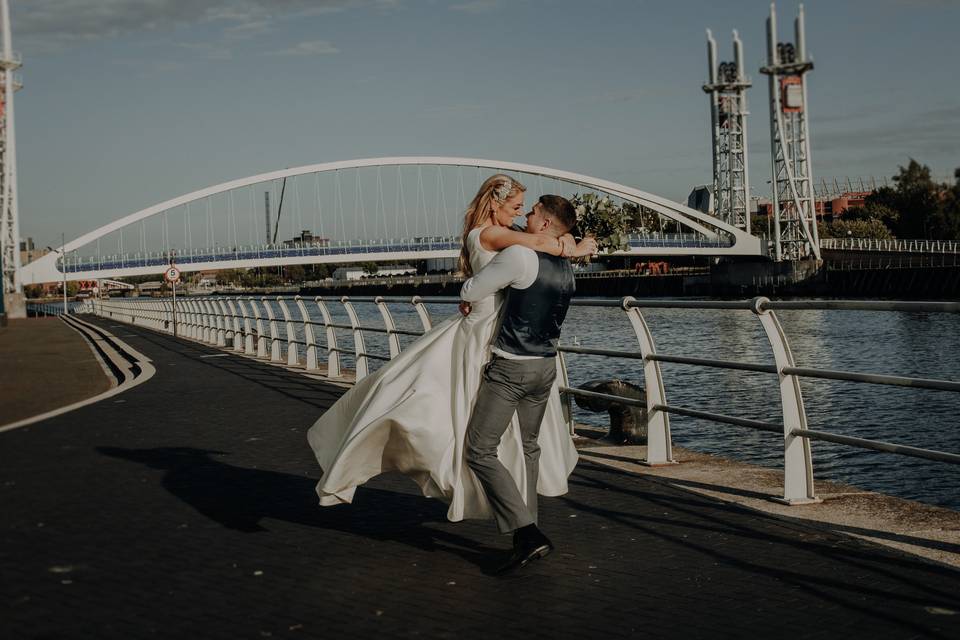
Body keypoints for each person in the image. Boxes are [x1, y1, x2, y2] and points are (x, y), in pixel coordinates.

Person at [306, 175, 596, 524]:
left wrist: (563, 237)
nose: (521, 214)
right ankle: (505, 508)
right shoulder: (490, 234)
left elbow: (538, 242)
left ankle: (516, 514)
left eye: (526, 209)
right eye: (517, 207)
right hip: (486, 335)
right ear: (495, 204)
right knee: (453, 414)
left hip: (501, 332)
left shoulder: (505, 234)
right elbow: (539, 242)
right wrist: (574, 246)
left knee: (478, 422)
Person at [460, 194, 580, 574]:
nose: (526, 216)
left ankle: (527, 532)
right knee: (529, 447)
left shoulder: (519, 256)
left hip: (512, 368)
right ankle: (524, 535)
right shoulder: (565, 266)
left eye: (532, 212)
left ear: (544, 225)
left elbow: (469, 292)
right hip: (546, 366)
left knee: (479, 449)